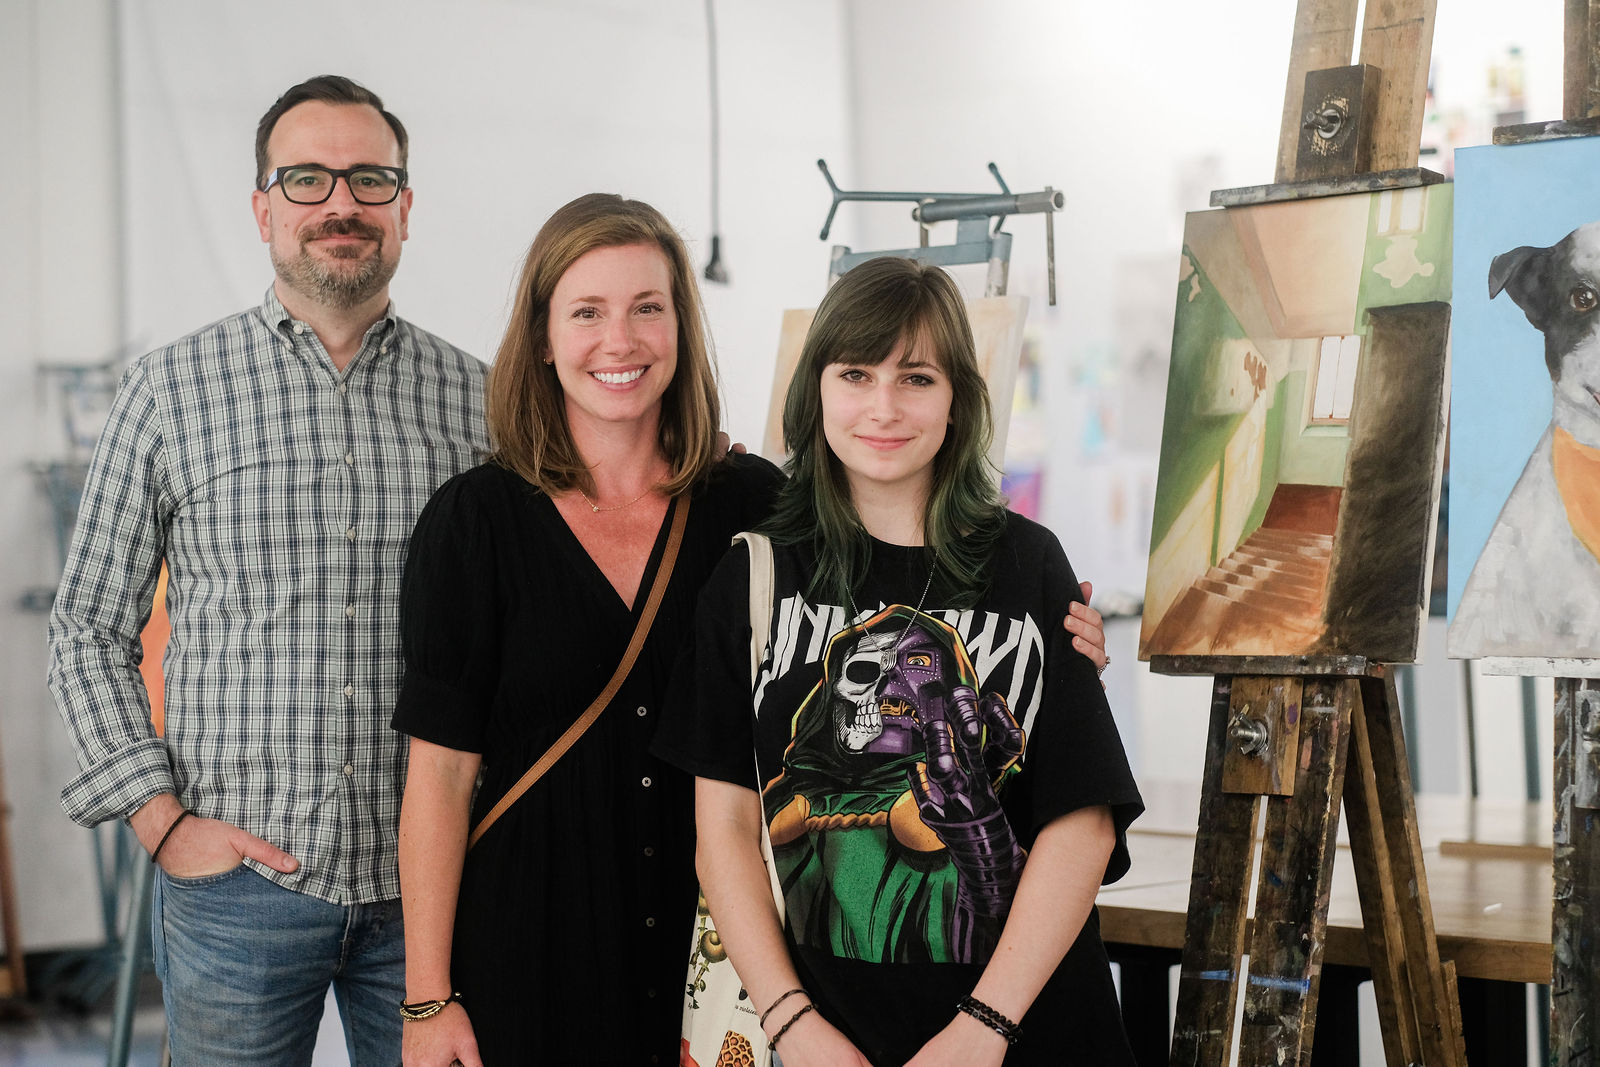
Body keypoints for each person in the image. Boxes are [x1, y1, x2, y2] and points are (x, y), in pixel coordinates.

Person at [392, 199, 1113, 1067]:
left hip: (742, 956)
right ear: (542, 337)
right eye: (586, 311)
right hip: (552, 940)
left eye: (647, 308)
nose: (619, 339)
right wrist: (427, 995)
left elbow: (1074, 804)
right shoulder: (482, 524)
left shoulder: (751, 505)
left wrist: (1065, 643)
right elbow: (441, 774)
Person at [47, 75, 487, 1066]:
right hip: (234, 893)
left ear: (406, 207)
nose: (341, 203)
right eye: (307, 178)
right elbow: (86, 628)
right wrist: (161, 822)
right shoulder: (168, 390)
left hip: (433, 894)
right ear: (262, 207)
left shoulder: (482, 405)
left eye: (371, 178)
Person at [655, 256, 1144, 1066]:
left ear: (956, 398)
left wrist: (983, 1028)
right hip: (823, 1042)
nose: (883, 407)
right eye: (856, 373)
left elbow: (1081, 819)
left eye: (915, 378)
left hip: (1024, 1035)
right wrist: (795, 1027)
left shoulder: (1028, 565)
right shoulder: (753, 576)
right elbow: (726, 829)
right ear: (816, 389)